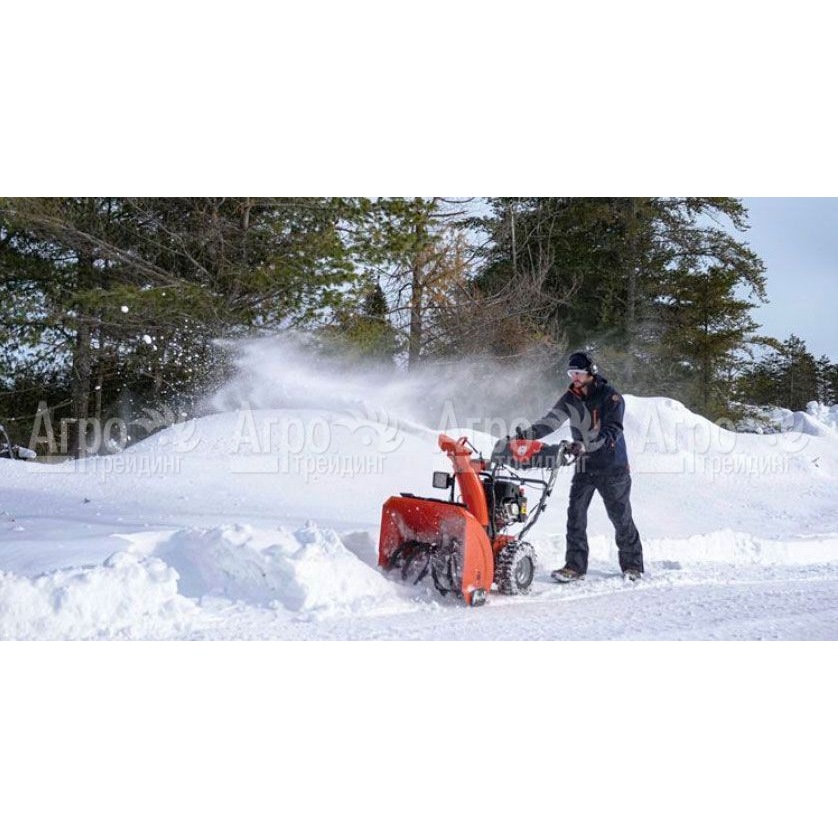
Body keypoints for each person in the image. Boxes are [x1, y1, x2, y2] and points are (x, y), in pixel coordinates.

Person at [512, 351, 644, 582]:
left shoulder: (610, 397)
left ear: (591, 373)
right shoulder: (571, 397)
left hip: (612, 467)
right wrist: (526, 436)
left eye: (578, 373)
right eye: (571, 373)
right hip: (584, 466)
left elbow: (612, 430)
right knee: (575, 515)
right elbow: (550, 421)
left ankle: (632, 565)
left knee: (620, 517)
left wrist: (585, 444)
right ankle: (574, 567)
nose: (574, 377)